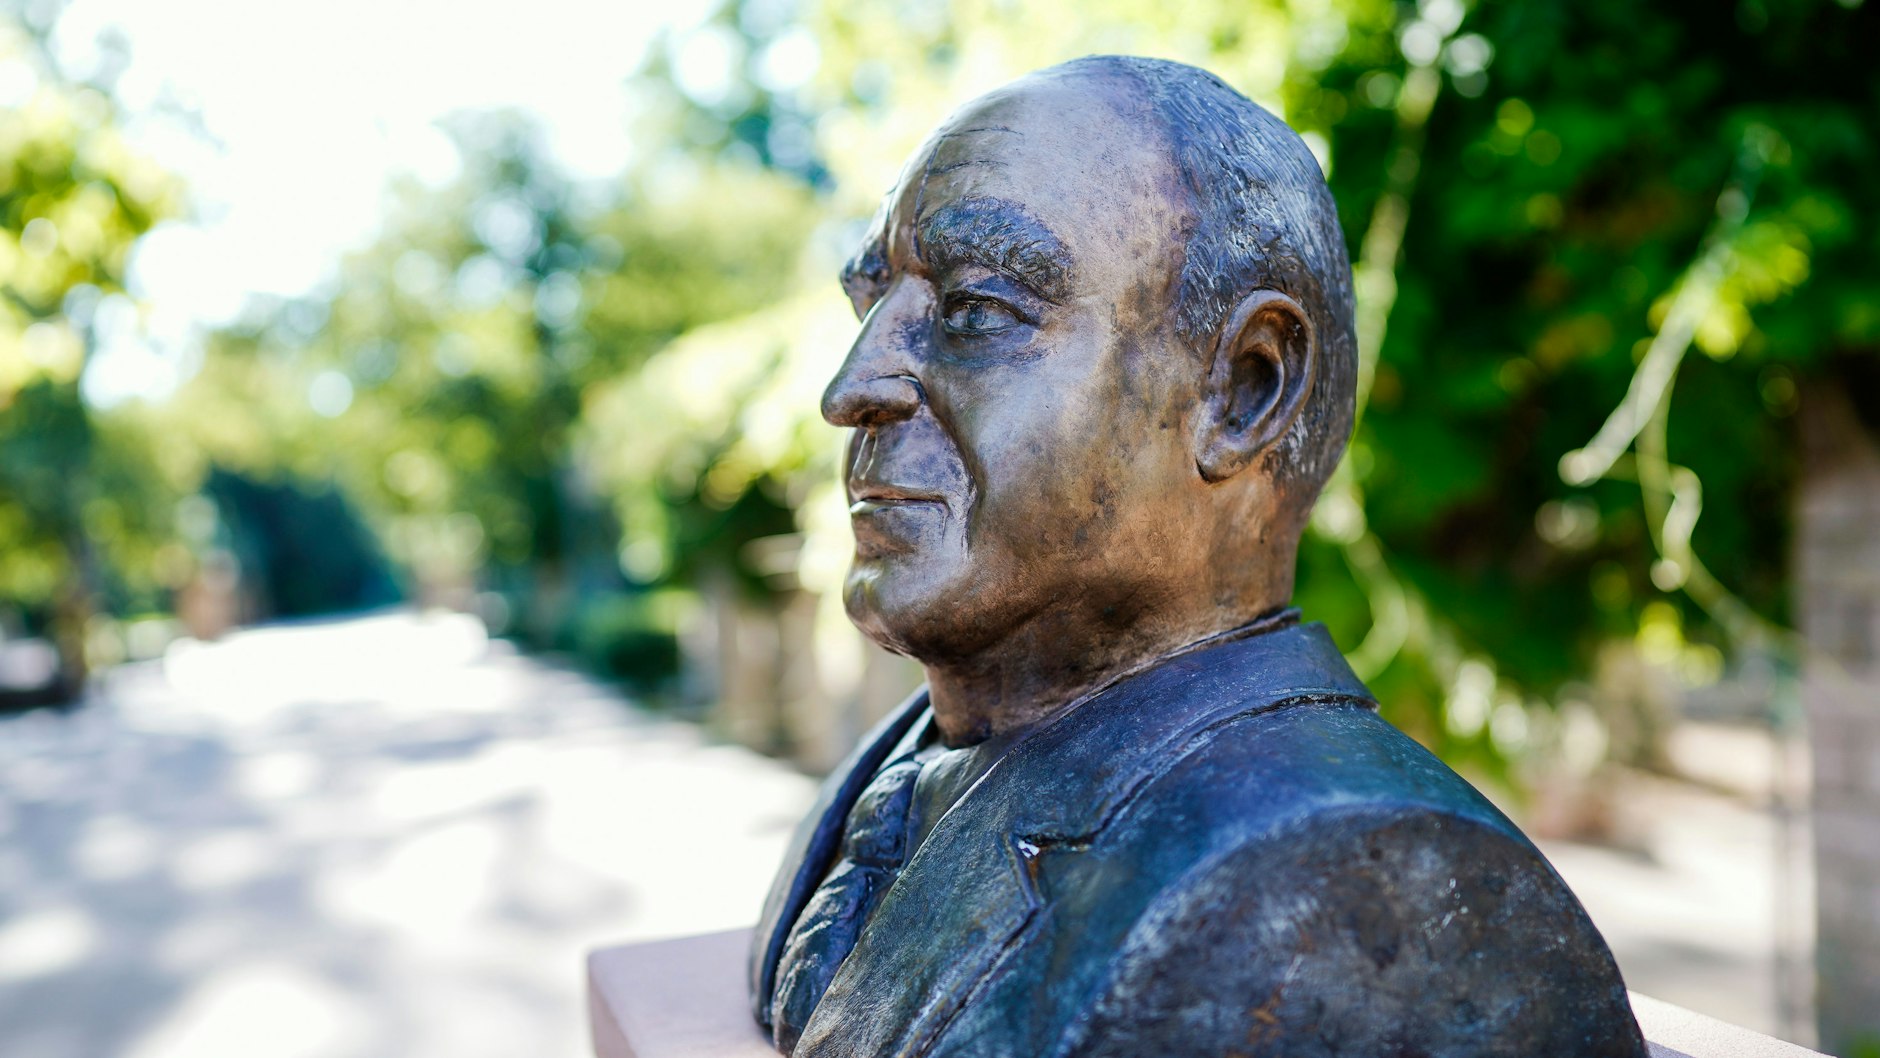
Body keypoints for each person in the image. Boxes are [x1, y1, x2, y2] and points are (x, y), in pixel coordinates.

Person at [748, 55, 1648, 1058]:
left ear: (1245, 389)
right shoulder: (900, 766)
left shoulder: (1359, 886)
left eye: (977, 311)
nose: (851, 387)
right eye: (872, 304)